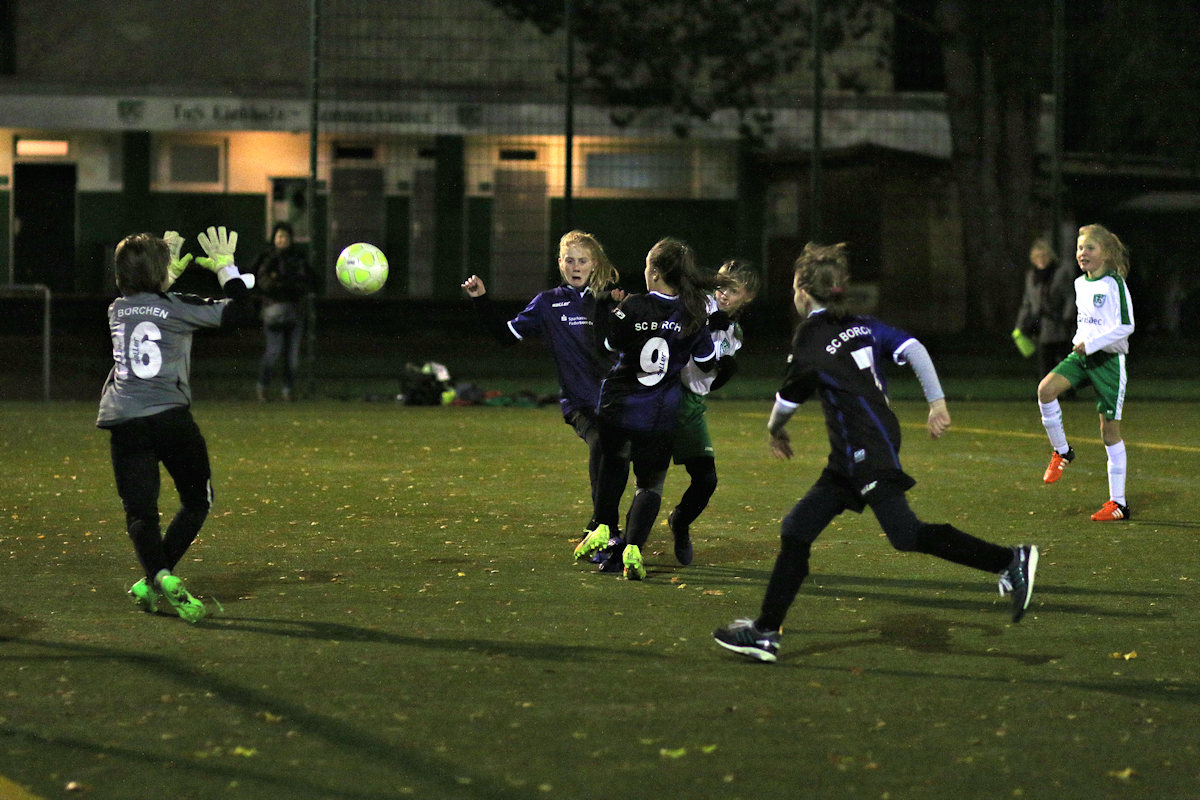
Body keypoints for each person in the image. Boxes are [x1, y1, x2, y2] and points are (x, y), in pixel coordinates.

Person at [713, 242, 1037, 663]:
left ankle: (1010, 560)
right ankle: (766, 632)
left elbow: (788, 399)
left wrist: (775, 431)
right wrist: (936, 402)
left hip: (865, 446)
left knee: (905, 534)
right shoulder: (861, 324)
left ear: (804, 292)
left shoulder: (810, 336)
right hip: (860, 448)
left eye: (794, 286)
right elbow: (915, 348)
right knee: (797, 528)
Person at [97, 226, 257, 623]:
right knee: (197, 500)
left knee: (141, 513)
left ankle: (158, 576)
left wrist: (163, 278)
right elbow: (241, 313)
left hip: (124, 420)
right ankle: (160, 577)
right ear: (159, 273)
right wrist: (226, 268)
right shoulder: (177, 306)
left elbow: (146, 303)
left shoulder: (116, 310)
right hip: (169, 417)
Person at [573, 237, 721, 580]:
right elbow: (707, 360)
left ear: (653, 273)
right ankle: (634, 549)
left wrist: (614, 315)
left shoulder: (635, 306)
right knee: (649, 484)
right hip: (660, 412)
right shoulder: (693, 313)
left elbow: (608, 343)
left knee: (612, 463)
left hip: (619, 406)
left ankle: (604, 527)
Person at [461, 230, 627, 536]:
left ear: (594, 265)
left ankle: (603, 522)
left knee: (619, 457)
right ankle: (606, 526)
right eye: (570, 260)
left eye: (583, 261)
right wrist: (480, 299)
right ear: (560, 263)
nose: (576, 266)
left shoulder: (609, 300)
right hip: (580, 403)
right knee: (602, 444)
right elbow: (505, 336)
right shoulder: (548, 303)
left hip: (618, 401)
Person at [664, 259, 759, 567]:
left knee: (706, 480)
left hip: (690, 405)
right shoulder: (696, 303)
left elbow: (709, 377)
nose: (723, 294)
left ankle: (680, 521)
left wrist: (723, 375)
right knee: (646, 475)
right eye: (721, 286)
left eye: (733, 290)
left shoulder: (735, 334)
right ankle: (615, 535)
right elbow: (674, 332)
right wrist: (707, 323)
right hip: (661, 395)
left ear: (747, 297)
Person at [1037, 224, 1135, 521]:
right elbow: (1087, 321)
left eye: (1089, 248)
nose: (1082, 253)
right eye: (1080, 248)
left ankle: (1118, 504)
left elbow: (1125, 327)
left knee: (1109, 433)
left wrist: (1090, 344)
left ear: (1105, 253)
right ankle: (1062, 451)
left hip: (1108, 363)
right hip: (1082, 357)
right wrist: (1081, 341)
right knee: (1045, 390)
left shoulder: (1114, 283)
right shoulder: (1081, 283)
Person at [252, 221, 315, 401]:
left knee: (292, 357)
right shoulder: (268, 258)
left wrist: (281, 282)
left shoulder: (298, 259)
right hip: (274, 313)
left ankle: (288, 390)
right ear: (274, 239)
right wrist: (288, 285)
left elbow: (306, 283)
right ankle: (263, 387)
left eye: (285, 237)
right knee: (273, 352)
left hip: (295, 312)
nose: (282, 240)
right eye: (279, 236)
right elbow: (265, 284)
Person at [1013, 238, 1077, 379]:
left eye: (1044, 256)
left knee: (1063, 360)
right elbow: (1027, 303)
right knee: (1044, 362)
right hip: (1041, 326)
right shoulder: (1031, 277)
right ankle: (1047, 394)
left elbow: (1069, 297)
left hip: (1059, 324)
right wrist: (1020, 325)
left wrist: (1067, 317)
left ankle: (1067, 392)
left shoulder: (1060, 274)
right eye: (1037, 257)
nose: (1041, 259)